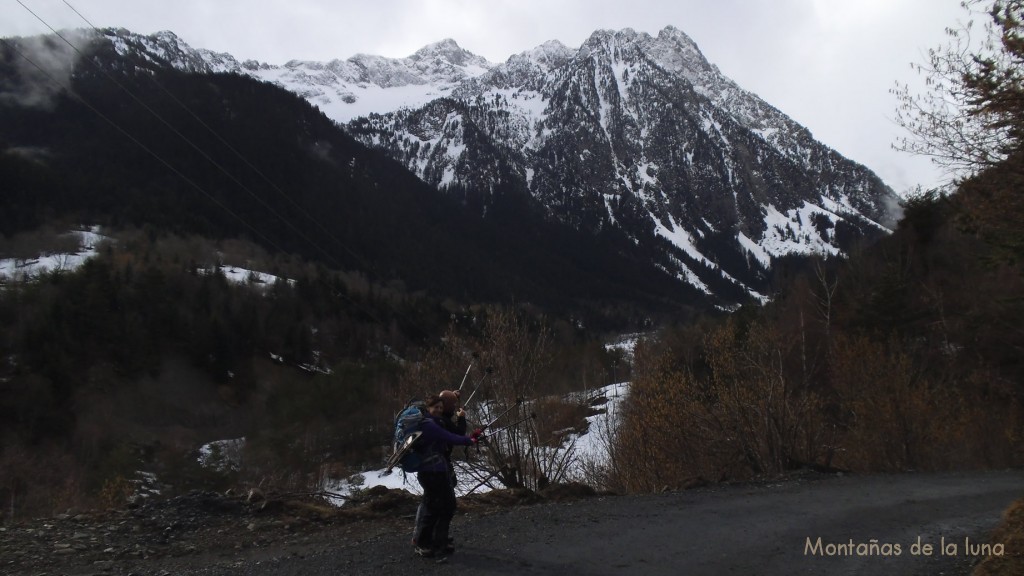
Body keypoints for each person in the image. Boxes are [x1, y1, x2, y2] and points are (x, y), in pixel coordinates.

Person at [411, 394, 482, 558]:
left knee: (442, 506)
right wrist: (469, 440)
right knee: (436, 507)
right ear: (428, 409)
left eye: (441, 408)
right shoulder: (429, 425)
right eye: (436, 407)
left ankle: (436, 540)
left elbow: (449, 431)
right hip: (432, 473)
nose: (439, 410)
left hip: (436, 471)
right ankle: (423, 542)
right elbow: (449, 436)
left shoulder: (434, 422)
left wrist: (469, 438)